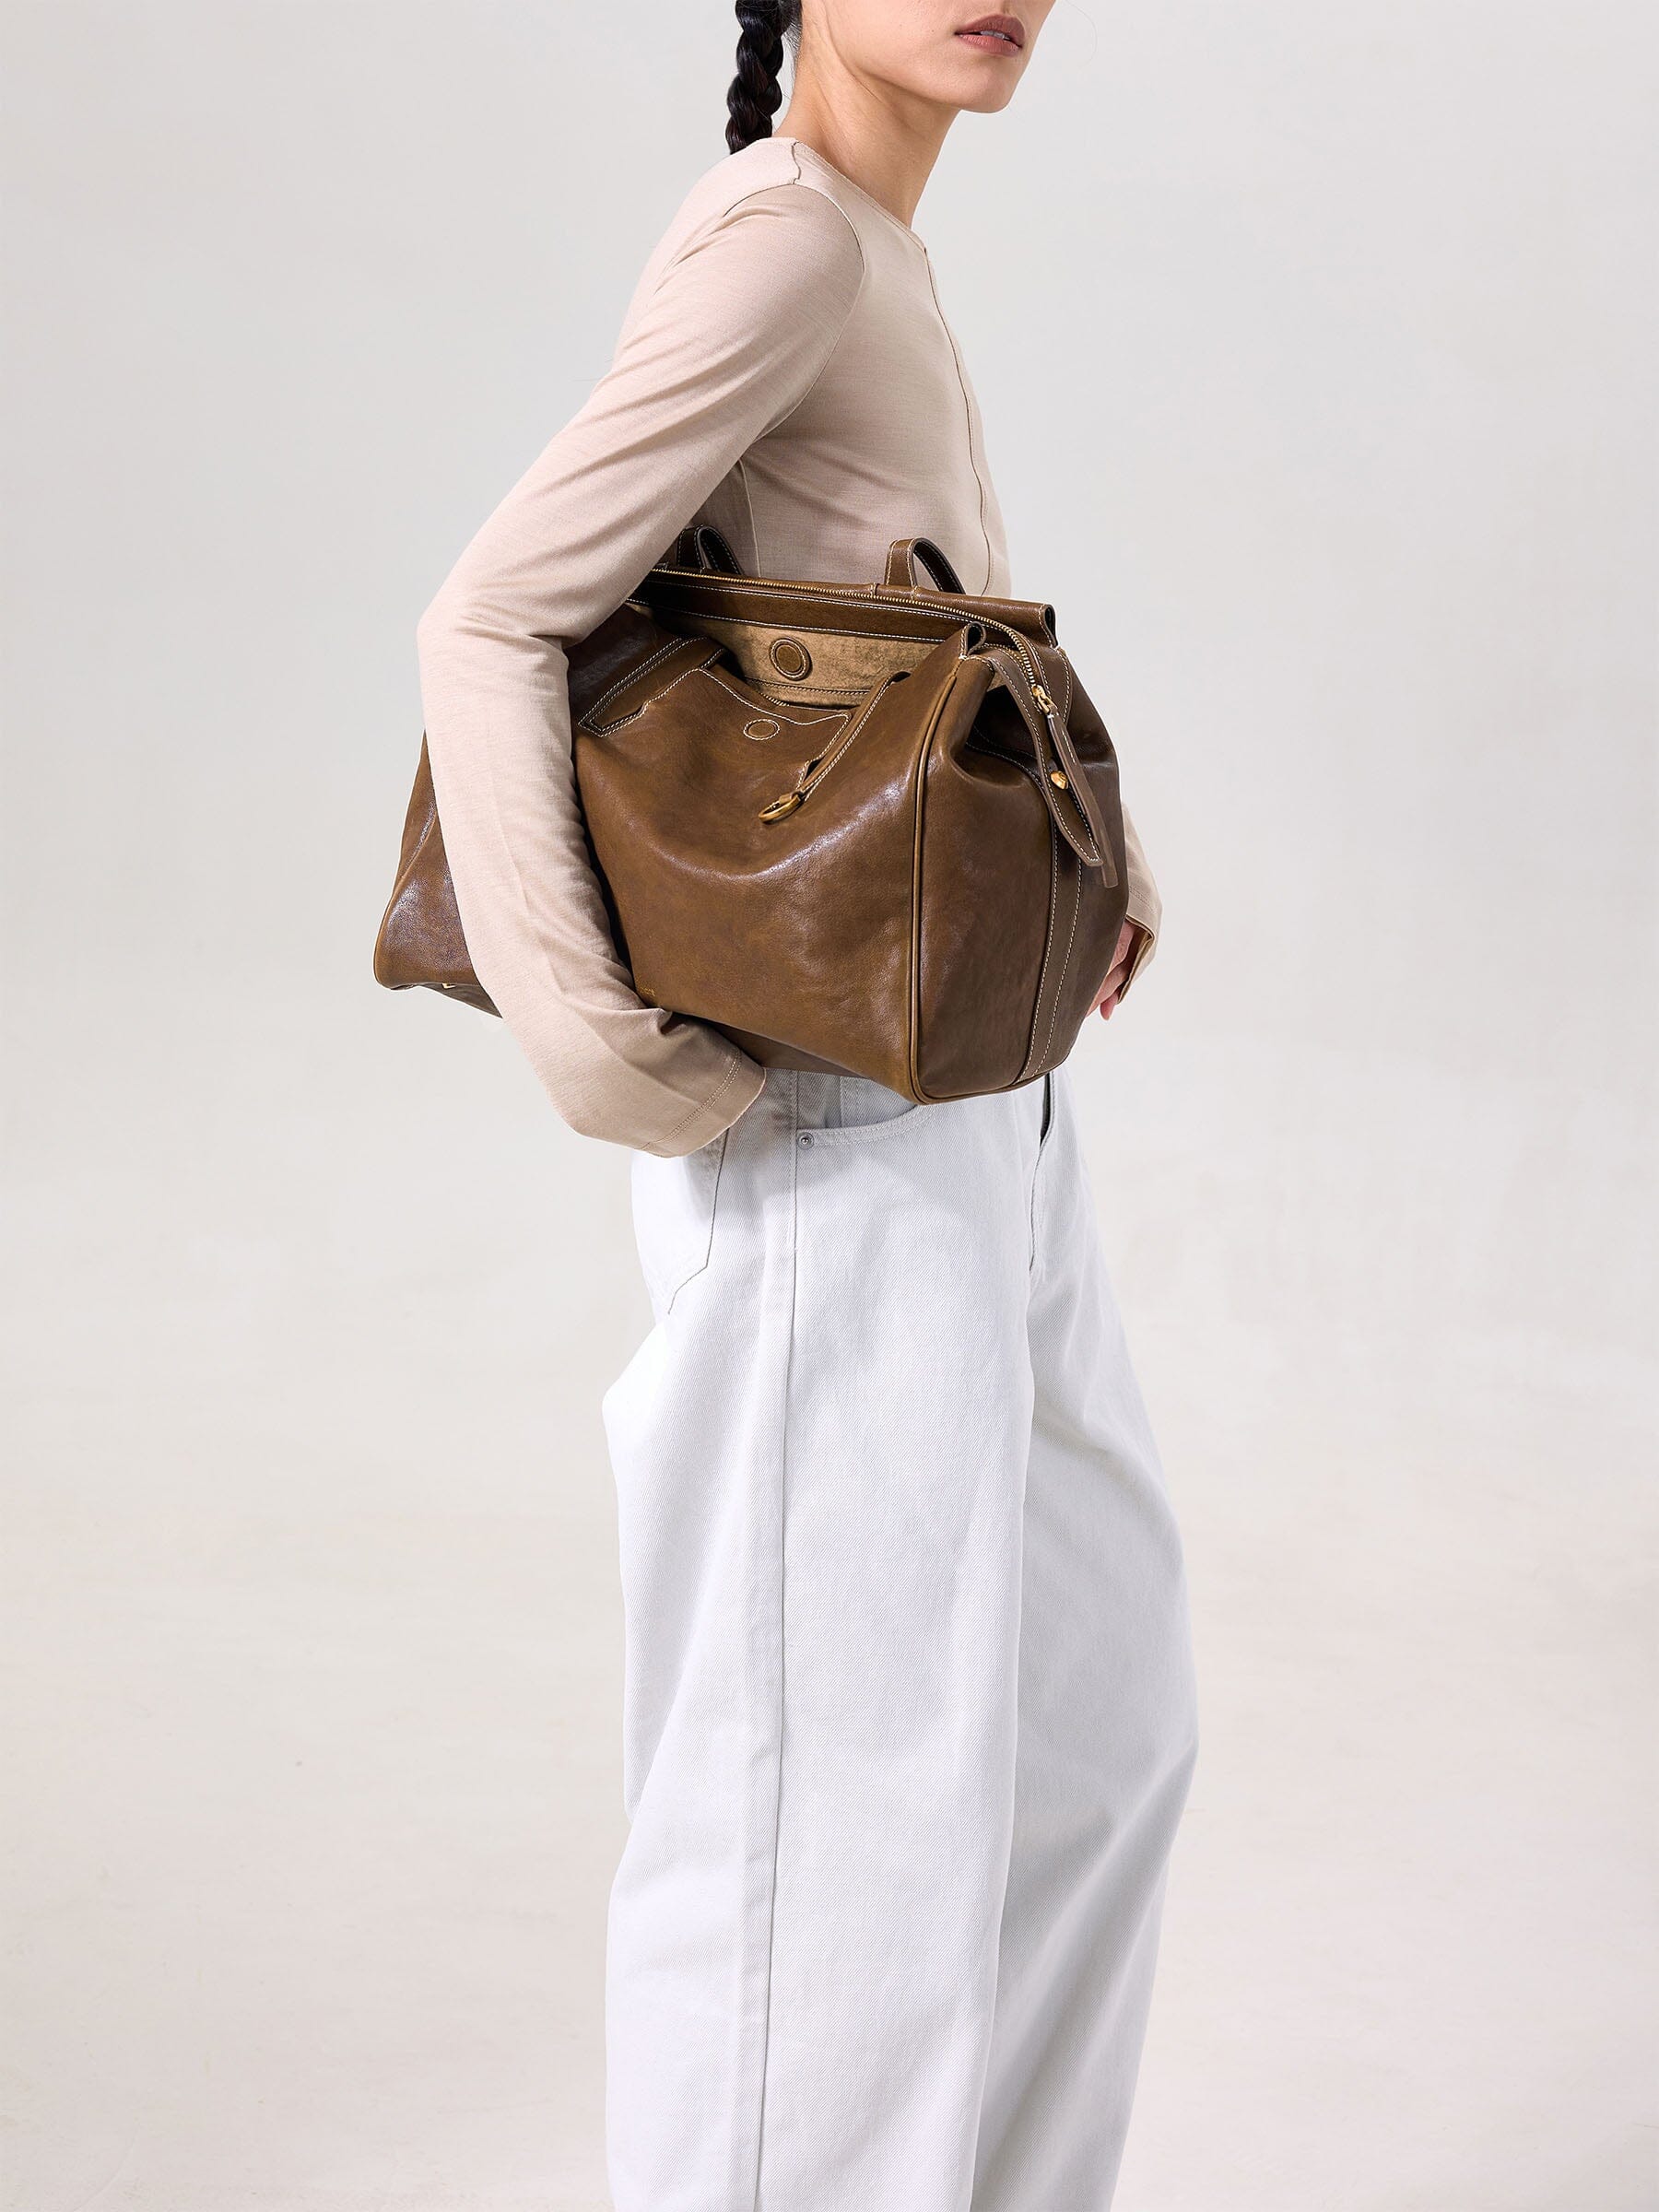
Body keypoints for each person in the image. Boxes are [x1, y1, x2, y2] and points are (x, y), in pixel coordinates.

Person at [414, 5, 1199, 2206]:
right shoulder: (784, 239)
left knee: (1095, 1738)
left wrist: (1098, 852)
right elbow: (488, 623)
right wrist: (594, 1043)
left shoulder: (864, 237)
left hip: (974, 1111)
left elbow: (870, 626)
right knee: (826, 1828)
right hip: (828, 1122)